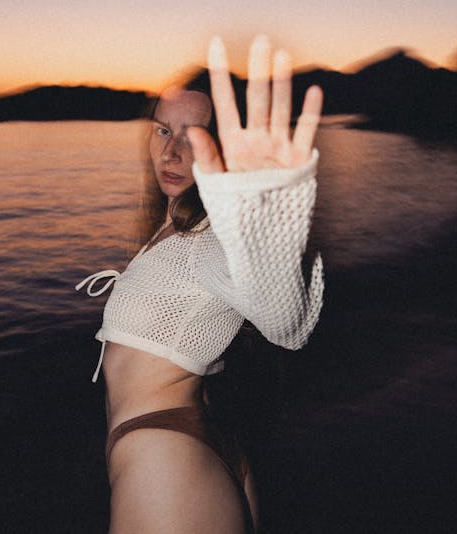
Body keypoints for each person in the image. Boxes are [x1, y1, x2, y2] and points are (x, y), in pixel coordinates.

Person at [76, 35, 324, 533]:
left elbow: (284, 321)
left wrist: (268, 224)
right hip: (198, 440)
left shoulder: (216, 240)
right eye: (163, 130)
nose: (172, 151)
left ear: (224, 148)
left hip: (166, 459)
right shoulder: (173, 228)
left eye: (194, 135)